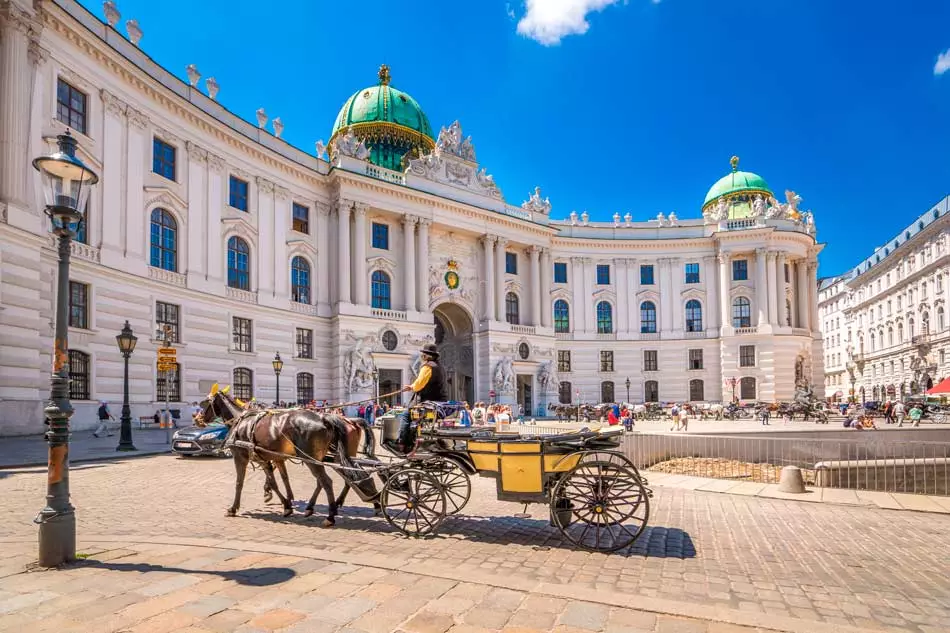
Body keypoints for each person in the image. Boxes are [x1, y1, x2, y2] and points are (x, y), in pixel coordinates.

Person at [397, 343, 447, 451]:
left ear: (426, 356)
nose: (422, 356)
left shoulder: (428, 367)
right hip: (439, 401)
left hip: (428, 402)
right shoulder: (440, 367)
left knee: (405, 416)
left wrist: (411, 387)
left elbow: (419, 384)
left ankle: (402, 443)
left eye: (423, 354)